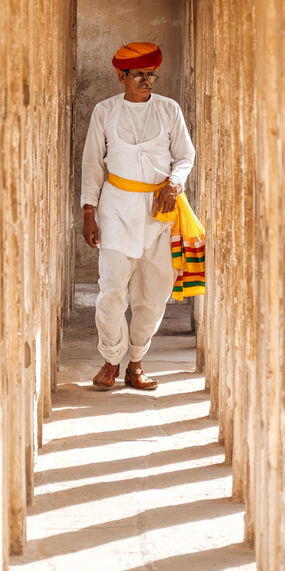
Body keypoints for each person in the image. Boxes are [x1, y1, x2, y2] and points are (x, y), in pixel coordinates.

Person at [80, 41, 196, 391]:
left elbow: (185, 155)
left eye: (151, 74)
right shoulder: (104, 111)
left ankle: (136, 363)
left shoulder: (168, 109)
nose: (147, 80)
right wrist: (89, 211)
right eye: (140, 75)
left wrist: (174, 184)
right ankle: (110, 360)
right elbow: (92, 163)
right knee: (112, 290)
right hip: (115, 208)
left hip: (160, 213)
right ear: (122, 76)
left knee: (153, 292)